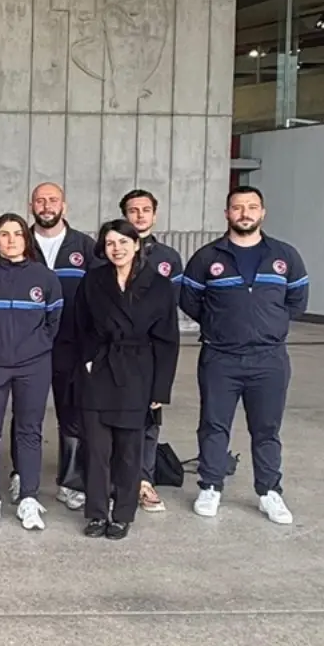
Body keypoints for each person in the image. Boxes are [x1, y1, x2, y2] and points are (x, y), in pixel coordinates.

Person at [181, 186, 309, 525]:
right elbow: (189, 299)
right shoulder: (208, 257)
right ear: (227, 214)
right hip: (220, 357)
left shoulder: (285, 255)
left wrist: (271, 322)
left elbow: (297, 301)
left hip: (269, 358)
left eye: (252, 207)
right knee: (213, 425)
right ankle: (210, 485)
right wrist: (217, 323)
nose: (245, 213)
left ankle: (269, 491)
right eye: (237, 208)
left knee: (266, 428)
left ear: (263, 213)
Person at [73, 220, 180, 541]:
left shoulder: (159, 285)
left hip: (138, 374)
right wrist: (89, 361)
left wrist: (160, 388)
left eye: (123, 241)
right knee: (96, 448)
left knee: (129, 451)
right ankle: (95, 512)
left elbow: (167, 340)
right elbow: (80, 327)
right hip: (99, 372)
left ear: (137, 244)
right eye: (109, 243)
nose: (116, 248)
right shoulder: (93, 281)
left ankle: (122, 513)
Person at [0, 214, 63, 532]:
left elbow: (53, 323)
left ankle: (29, 499)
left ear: (26, 238)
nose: (10, 240)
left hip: (32, 367)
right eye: (3, 235)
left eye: (16, 234)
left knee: (29, 431)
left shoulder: (44, 278)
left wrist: (32, 349)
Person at [29, 181, 98, 511]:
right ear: (32, 206)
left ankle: (71, 481)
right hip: (27, 347)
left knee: (72, 414)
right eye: (40, 201)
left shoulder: (85, 246)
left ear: (64, 206)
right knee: (27, 415)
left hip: (72, 345)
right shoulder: (19, 241)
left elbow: (103, 294)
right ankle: (21, 475)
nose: (46, 206)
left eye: (52, 200)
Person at [119, 187, 183, 514]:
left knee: (149, 420)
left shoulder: (169, 259)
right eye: (133, 210)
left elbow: (174, 310)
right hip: (115, 355)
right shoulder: (110, 251)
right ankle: (114, 481)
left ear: (155, 215)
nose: (140, 215)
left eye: (146, 210)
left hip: (152, 353)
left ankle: (144, 481)